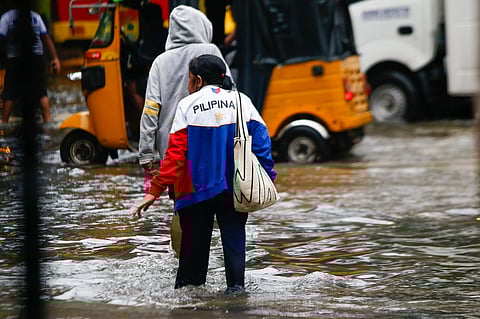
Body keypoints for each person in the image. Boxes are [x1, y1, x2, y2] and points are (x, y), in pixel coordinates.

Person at [131, 54, 277, 293]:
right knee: (234, 246)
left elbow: (175, 154)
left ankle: (191, 308)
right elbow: (262, 145)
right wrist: (267, 178)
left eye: (189, 80)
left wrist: (154, 191)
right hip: (235, 188)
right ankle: (236, 295)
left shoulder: (187, 105)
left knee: (191, 268)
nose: (188, 86)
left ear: (198, 80)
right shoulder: (243, 101)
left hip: (195, 191)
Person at [138, 5, 231, 191]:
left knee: (182, 206)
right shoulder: (211, 51)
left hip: (172, 151)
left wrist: (146, 155)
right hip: (212, 145)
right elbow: (231, 96)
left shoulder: (160, 62)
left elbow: (150, 110)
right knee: (215, 200)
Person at [0, 5, 60, 123]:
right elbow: (46, 38)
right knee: (41, 92)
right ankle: (47, 121)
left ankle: (4, 122)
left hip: (15, 59)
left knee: (10, 93)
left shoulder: (6, 18)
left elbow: (1, 38)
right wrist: (55, 58)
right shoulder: (36, 17)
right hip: (36, 58)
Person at [124, 3, 167, 140]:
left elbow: (140, 59)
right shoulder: (161, 32)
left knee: (131, 87)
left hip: (161, 79)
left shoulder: (156, 35)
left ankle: (151, 124)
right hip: (159, 76)